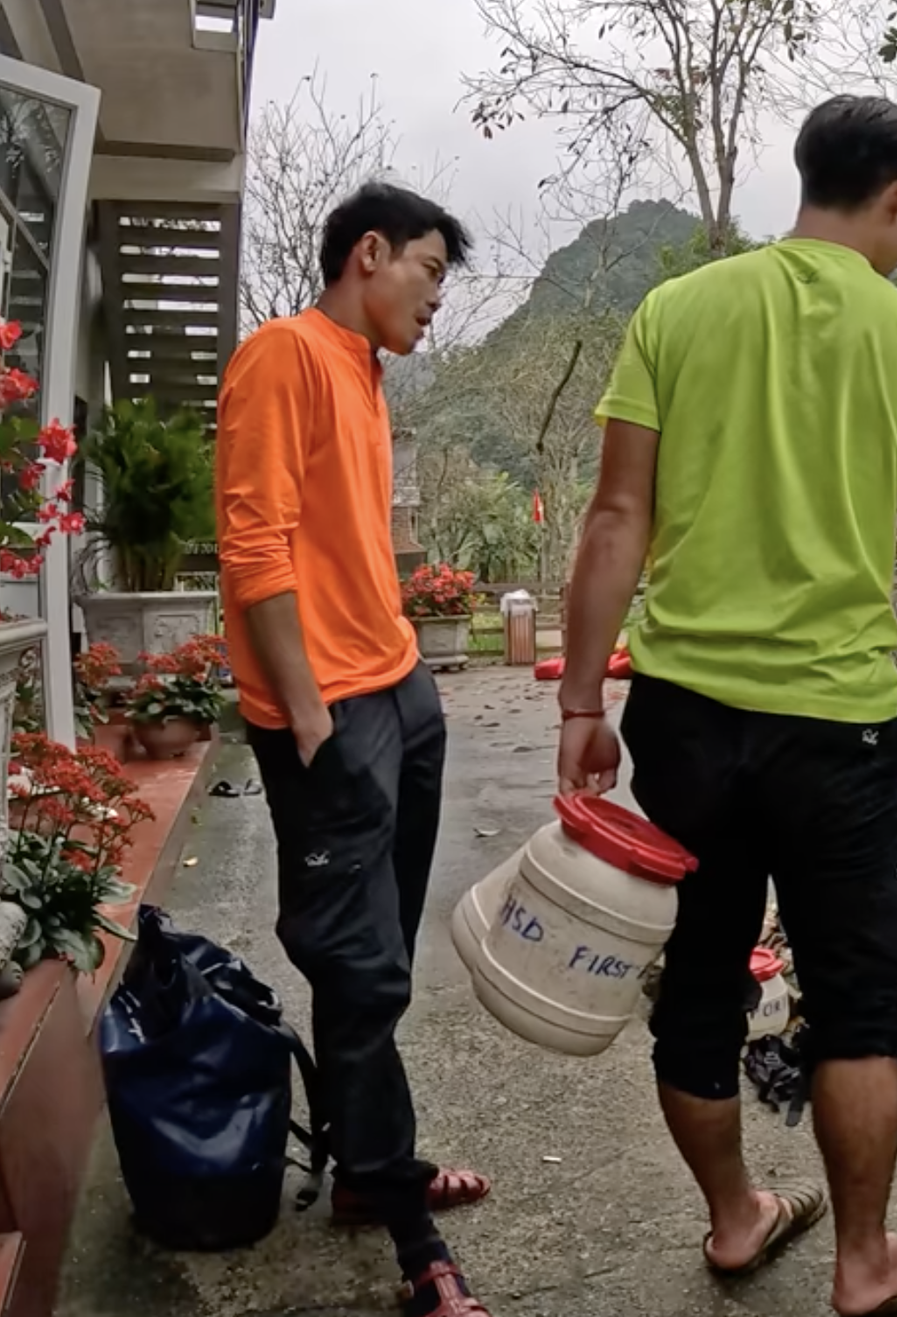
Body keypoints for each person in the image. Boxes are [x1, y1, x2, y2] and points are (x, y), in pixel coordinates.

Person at [556, 94, 897, 1316]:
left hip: (683, 714)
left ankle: (735, 1217)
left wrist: (581, 702)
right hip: (837, 725)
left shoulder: (676, 310)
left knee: (700, 981)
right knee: (857, 1004)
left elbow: (615, 517)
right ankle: (866, 1261)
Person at [216, 183, 493, 1317]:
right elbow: (253, 543)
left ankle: (369, 1167)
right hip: (329, 711)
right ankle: (409, 1233)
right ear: (369, 253)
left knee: (376, 957)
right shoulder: (282, 354)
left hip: (398, 691)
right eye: (429, 272)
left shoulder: (364, 371)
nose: (436, 299)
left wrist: (403, 683)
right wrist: (307, 712)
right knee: (359, 963)